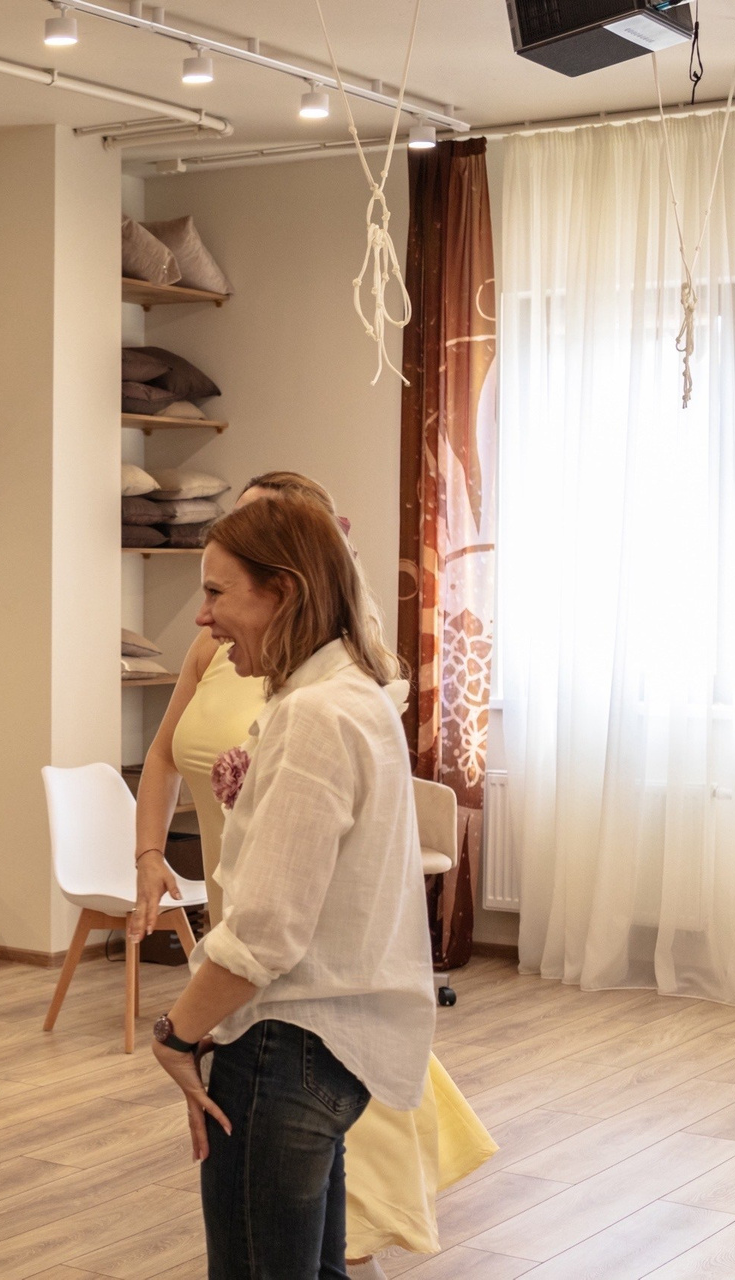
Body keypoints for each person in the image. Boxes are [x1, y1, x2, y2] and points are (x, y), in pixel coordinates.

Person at [133, 473, 493, 1275]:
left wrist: (176, 1032)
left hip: (283, 1044)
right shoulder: (347, 694)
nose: (202, 617)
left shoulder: (316, 715)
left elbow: (266, 931)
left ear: (284, 592)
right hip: (315, 1049)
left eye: (217, 593)